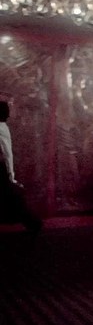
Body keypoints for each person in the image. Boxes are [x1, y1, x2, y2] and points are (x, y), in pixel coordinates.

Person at [0, 100, 42, 234]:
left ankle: (32, 222)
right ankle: (32, 222)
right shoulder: (3, 127)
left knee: (11, 197)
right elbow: (7, 153)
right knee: (11, 197)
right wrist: (11, 175)